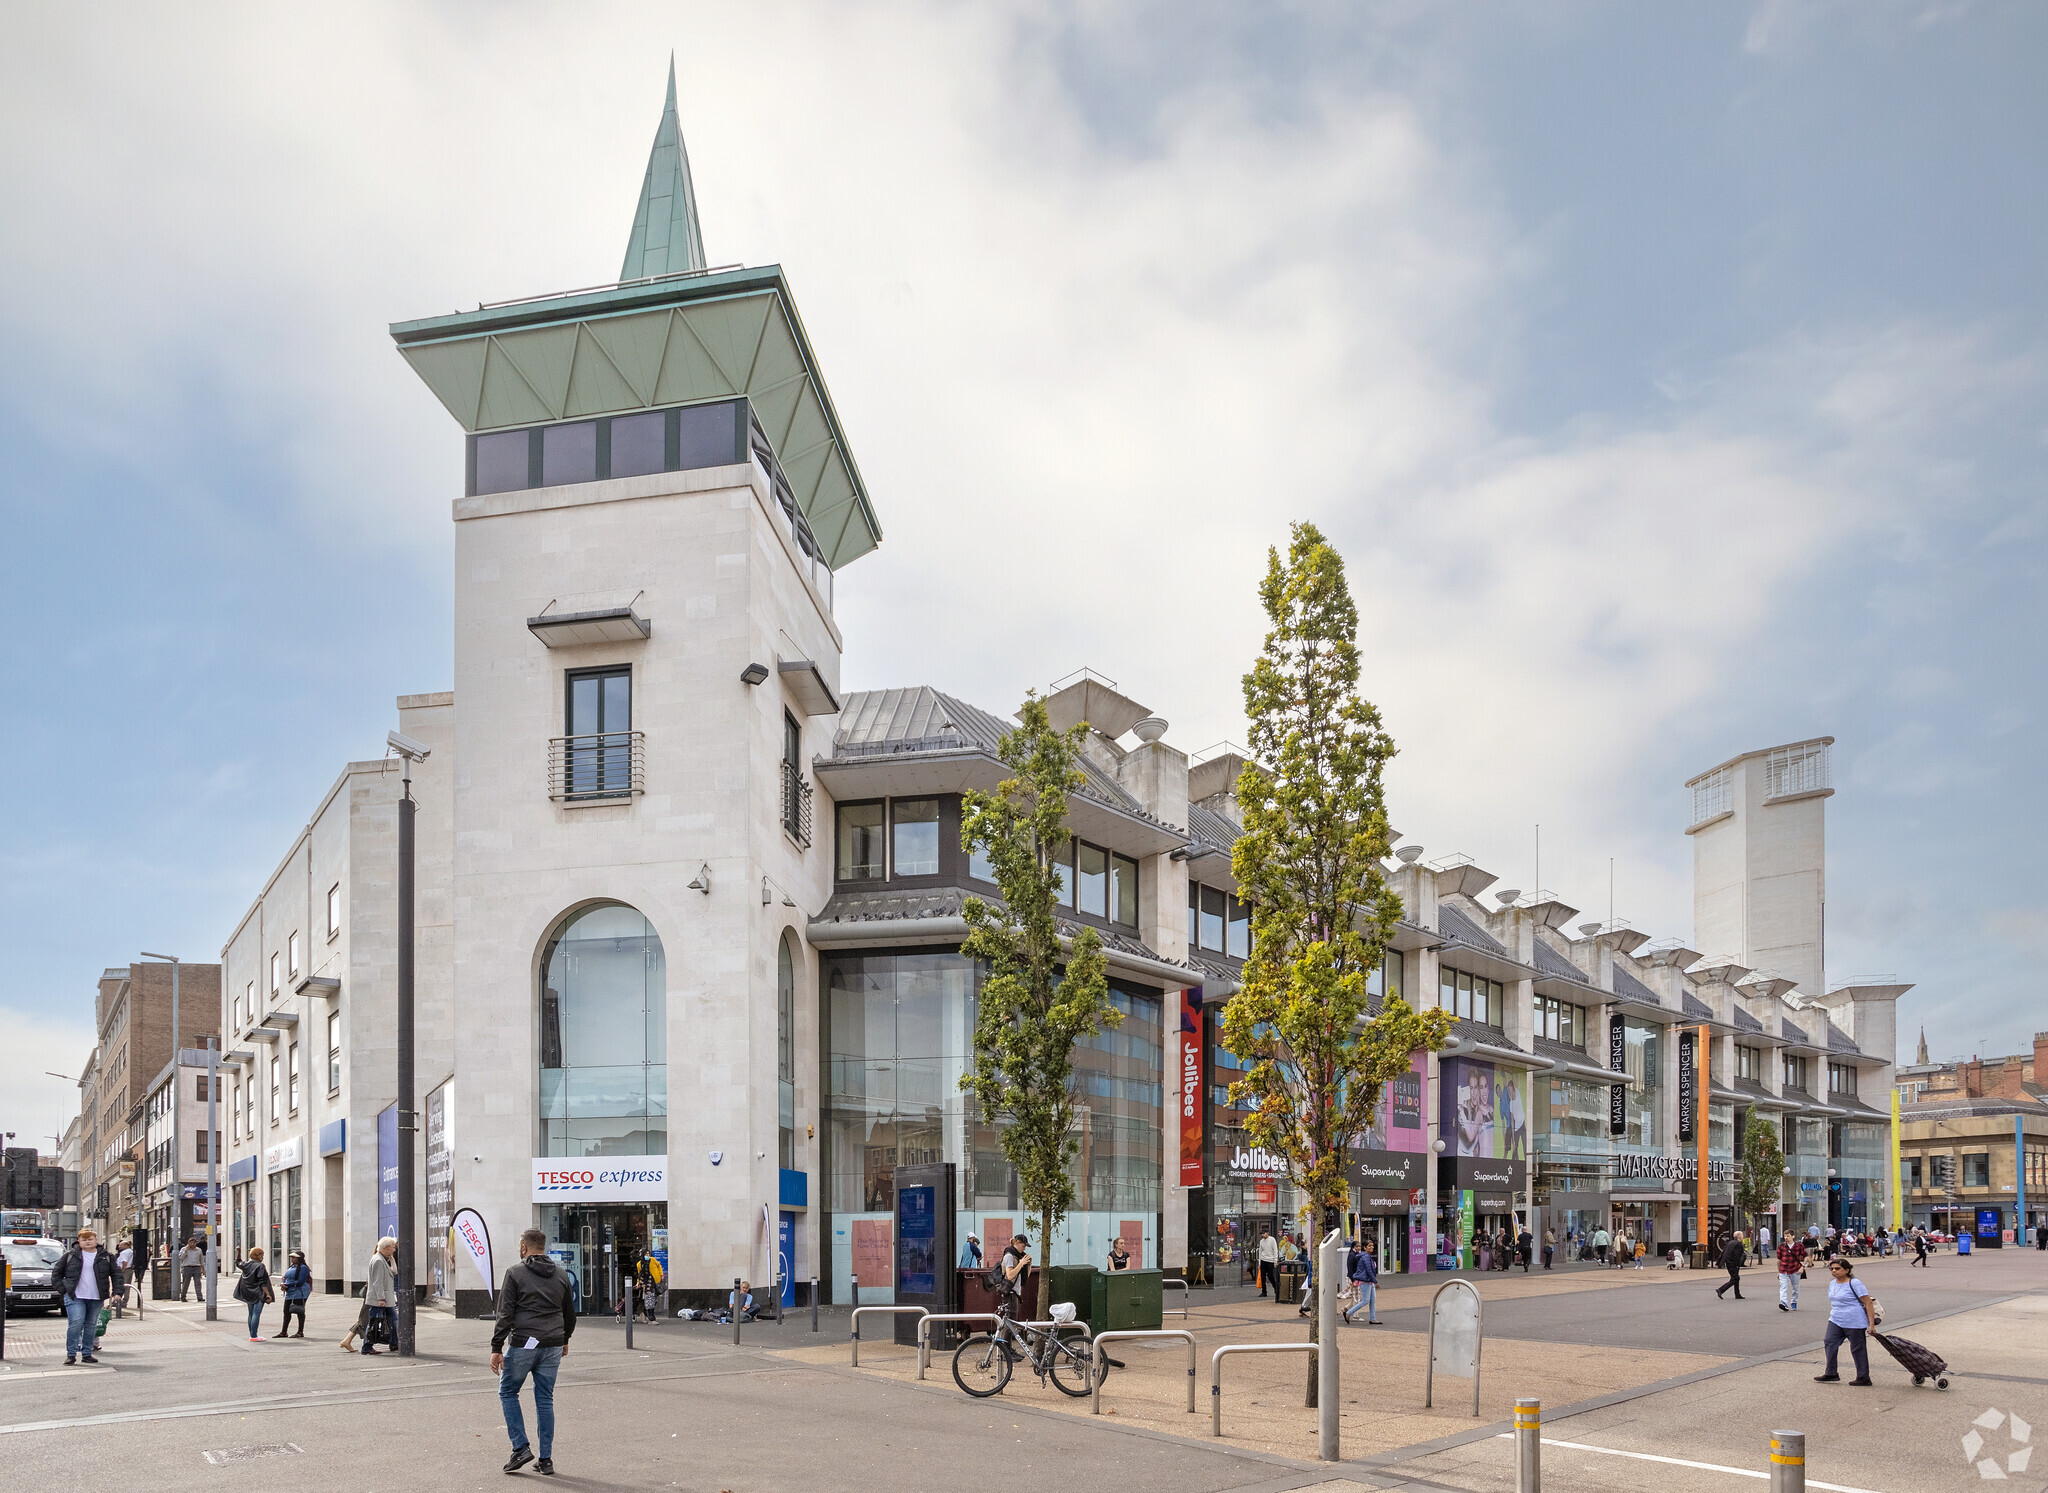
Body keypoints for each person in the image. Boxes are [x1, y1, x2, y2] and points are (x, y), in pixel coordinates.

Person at [492, 1227, 576, 1477]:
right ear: (544, 1247)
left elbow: (505, 1313)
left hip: (524, 1342)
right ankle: (546, 1460)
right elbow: (570, 1313)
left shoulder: (515, 1273)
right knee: (544, 1399)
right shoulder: (560, 1274)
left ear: (524, 1247)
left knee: (508, 1391)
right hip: (552, 1343)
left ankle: (520, 1448)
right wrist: (565, 1339)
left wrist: (496, 1347)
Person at [54, 1226, 115, 1366]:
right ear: (79, 1241)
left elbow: (116, 1275)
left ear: (96, 1240)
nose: (87, 1242)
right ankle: (71, 1354)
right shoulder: (70, 1256)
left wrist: (117, 1292)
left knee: (90, 1325)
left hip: (96, 1297)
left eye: (90, 1239)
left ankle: (87, 1353)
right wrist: (64, 1290)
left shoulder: (106, 1256)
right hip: (75, 1296)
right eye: (84, 1239)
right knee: (75, 1323)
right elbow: (56, 1273)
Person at [1814, 1257, 1876, 1386]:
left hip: (1854, 1320)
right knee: (1829, 1342)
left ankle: (1863, 1377)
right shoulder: (1833, 1283)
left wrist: (1871, 1324)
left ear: (1847, 1270)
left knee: (1857, 1348)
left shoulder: (1855, 1283)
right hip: (1836, 1319)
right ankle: (1831, 1373)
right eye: (1832, 1269)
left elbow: (1868, 1302)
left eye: (1838, 1269)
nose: (1834, 1271)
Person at [361, 1236, 399, 1355]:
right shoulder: (378, 1261)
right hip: (381, 1299)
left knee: (393, 1320)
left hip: (386, 1298)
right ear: (386, 1248)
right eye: (393, 1248)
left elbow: (394, 1271)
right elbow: (378, 1282)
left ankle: (394, 1343)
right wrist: (381, 1298)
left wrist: (392, 1259)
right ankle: (367, 1346)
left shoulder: (382, 1259)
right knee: (374, 1321)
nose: (394, 1250)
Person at [234, 1245, 272, 1342]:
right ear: (258, 1255)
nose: (262, 1257)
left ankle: (252, 1334)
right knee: (256, 1314)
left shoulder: (246, 1264)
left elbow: (238, 1263)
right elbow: (262, 1282)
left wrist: (238, 1252)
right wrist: (267, 1294)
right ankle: (254, 1335)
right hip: (258, 1292)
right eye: (261, 1255)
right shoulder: (260, 1266)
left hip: (248, 1292)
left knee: (251, 1314)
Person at [1342, 1239, 1380, 1325]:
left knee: (1372, 1299)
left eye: (1372, 1246)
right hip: (1365, 1281)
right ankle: (1349, 1313)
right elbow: (1369, 1270)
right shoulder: (1365, 1257)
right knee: (1365, 1300)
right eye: (1369, 1246)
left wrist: (1373, 1281)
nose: (1372, 1247)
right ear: (1365, 1247)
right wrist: (1375, 1281)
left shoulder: (1367, 1256)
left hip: (1369, 1281)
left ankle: (1373, 1318)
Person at [276, 1249, 312, 1338]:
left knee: (299, 1311)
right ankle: (284, 1332)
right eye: (292, 1257)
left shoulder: (304, 1268)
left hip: (300, 1293)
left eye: (294, 1257)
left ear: (299, 1258)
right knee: (286, 1312)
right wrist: (283, 1283)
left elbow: (300, 1281)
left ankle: (300, 1332)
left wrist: (287, 1285)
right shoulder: (292, 1267)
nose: (292, 1259)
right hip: (290, 1293)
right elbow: (285, 1277)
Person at [1776, 1232, 1806, 1311]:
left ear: (1793, 1236)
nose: (1786, 1237)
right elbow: (1779, 1259)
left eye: (1788, 1236)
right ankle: (1784, 1303)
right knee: (1783, 1287)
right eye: (1785, 1236)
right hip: (1783, 1269)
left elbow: (1806, 1256)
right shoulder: (1781, 1246)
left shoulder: (1799, 1246)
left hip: (1795, 1269)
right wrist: (1778, 1271)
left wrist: (1803, 1267)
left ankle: (1794, 1301)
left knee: (1795, 1287)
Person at [1715, 1230, 1747, 1300]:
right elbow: (1737, 1255)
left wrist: (1719, 1263)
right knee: (1735, 1278)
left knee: (1736, 1278)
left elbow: (1723, 1253)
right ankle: (1721, 1289)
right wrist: (1738, 1264)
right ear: (1739, 1236)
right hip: (1733, 1263)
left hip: (1728, 1262)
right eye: (1742, 1235)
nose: (1743, 1236)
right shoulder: (1738, 1244)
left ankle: (1737, 1294)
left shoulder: (1730, 1243)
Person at [178, 1236, 206, 1301]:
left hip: (197, 1267)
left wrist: (203, 1269)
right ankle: (183, 1297)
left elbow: (201, 1260)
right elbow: (181, 1258)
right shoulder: (183, 1249)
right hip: (187, 1267)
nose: (192, 1244)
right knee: (186, 1283)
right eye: (191, 1243)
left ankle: (199, 1297)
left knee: (198, 1283)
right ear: (188, 1243)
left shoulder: (199, 1250)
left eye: (194, 1243)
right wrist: (186, 1251)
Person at [1256, 1229, 1280, 1298]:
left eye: (1264, 1233)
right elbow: (1260, 1252)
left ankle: (1276, 1288)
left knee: (1270, 1276)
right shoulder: (1261, 1241)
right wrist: (1259, 1263)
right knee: (1262, 1277)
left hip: (1270, 1260)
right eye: (1262, 1234)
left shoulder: (1272, 1240)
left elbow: (1275, 1250)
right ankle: (1264, 1292)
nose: (1262, 1235)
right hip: (1263, 1260)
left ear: (1267, 1233)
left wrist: (1275, 1261)